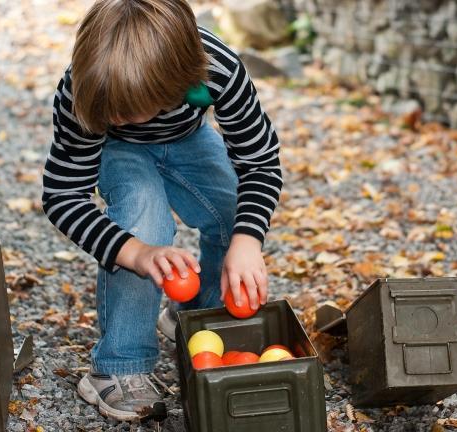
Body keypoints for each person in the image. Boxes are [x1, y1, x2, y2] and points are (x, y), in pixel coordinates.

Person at [41, 0, 283, 422]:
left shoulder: (218, 70)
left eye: (129, 111)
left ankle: (195, 317)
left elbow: (260, 162)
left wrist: (248, 241)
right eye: (111, 111)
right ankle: (119, 366)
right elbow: (63, 195)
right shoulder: (85, 89)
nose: (119, 117)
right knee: (145, 224)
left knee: (232, 210)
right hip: (118, 152)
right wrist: (136, 252)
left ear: (177, 79)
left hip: (189, 138)